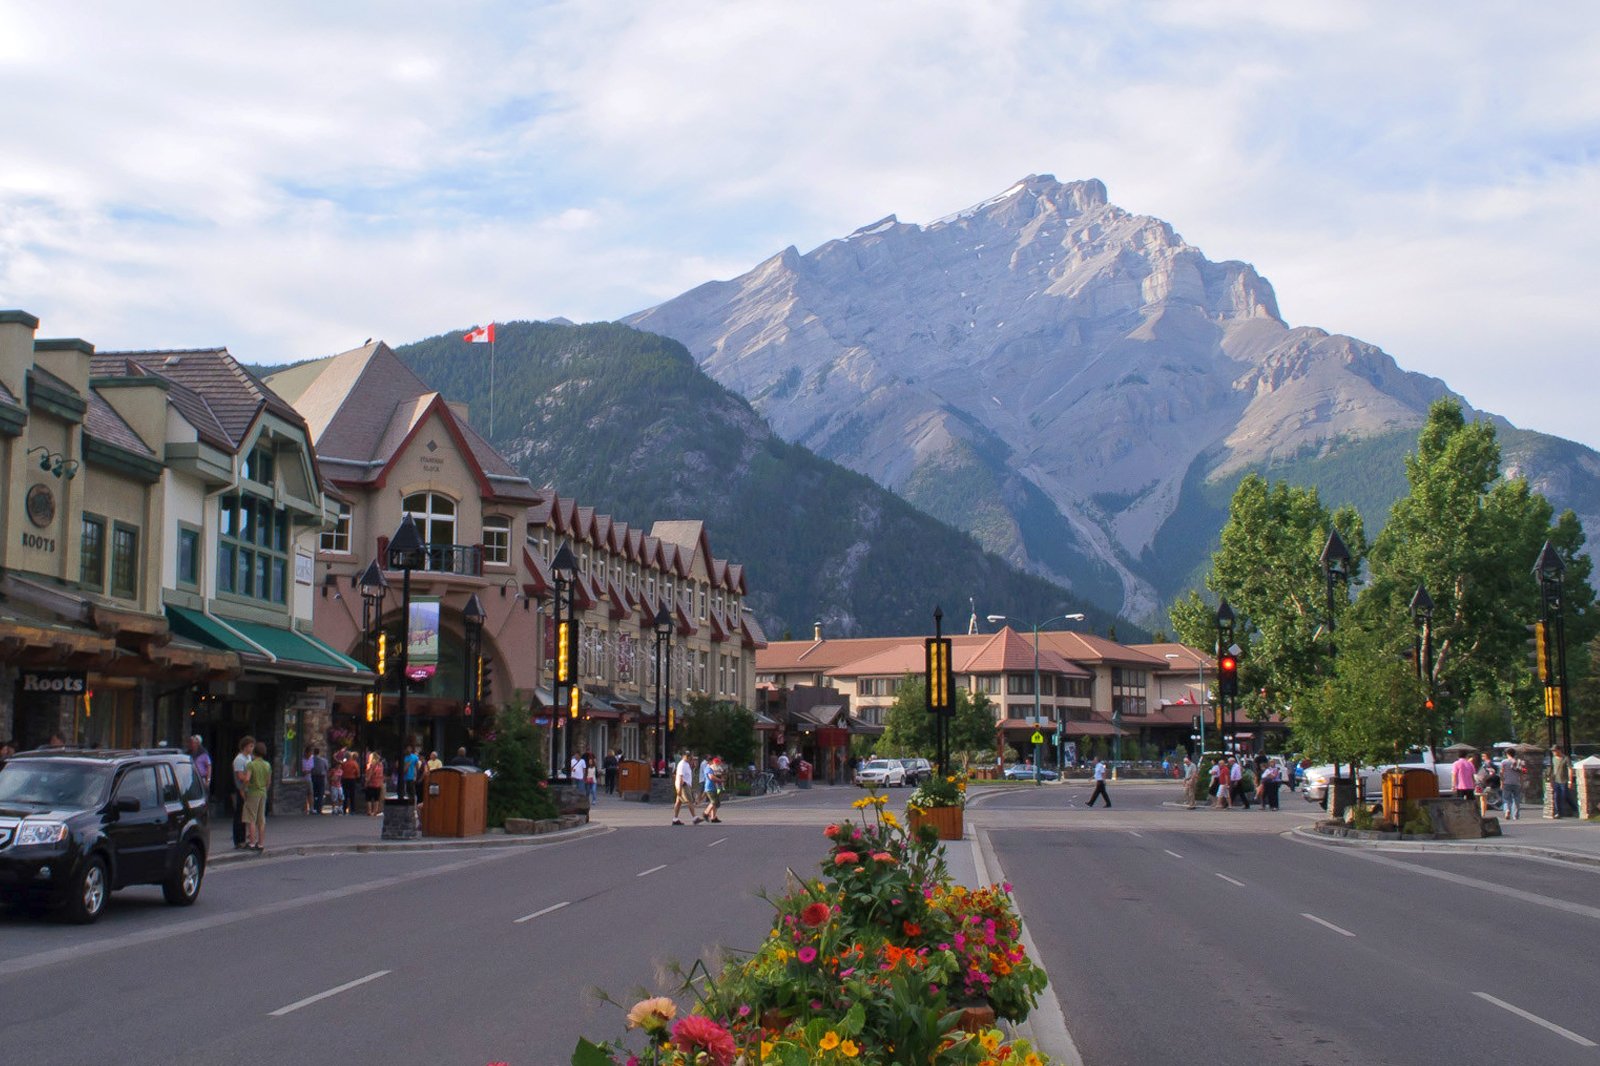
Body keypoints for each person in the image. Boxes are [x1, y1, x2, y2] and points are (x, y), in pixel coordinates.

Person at [243, 741, 270, 851]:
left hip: (253, 792)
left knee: (251, 818)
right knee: (261, 819)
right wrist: (264, 789)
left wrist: (245, 787)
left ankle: (252, 843)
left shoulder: (251, 764)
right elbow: (269, 781)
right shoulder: (267, 765)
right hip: (263, 792)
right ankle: (261, 843)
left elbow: (247, 779)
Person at [231, 735, 255, 849]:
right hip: (241, 788)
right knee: (239, 814)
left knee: (245, 815)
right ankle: (238, 840)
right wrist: (249, 776)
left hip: (248, 788)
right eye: (250, 746)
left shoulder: (249, 758)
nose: (252, 748)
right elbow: (240, 776)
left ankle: (243, 838)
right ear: (245, 746)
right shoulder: (239, 759)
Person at [672, 751, 702, 826]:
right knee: (689, 801)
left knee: (678, 802)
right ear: (684, 756)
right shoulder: (682, 764)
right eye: (688, 756)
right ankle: (695, 818)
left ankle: (675, 819)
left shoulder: (686, 764)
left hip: (685, 785)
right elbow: (680, 776)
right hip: (683, 785)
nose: (689, 758)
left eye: (690, 756)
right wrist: (679, 788)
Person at [1499, 752, 1525, 820]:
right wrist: (1522, 783)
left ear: (1507, 754)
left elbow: (1501, 773)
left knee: (1506, 798)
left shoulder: (1504, 762)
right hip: (1516, 783)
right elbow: (1522, 774)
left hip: (1506, 782)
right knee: (1516, 799)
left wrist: (1501, 782)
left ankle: (1507, 810)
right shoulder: (1519, 762)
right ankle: (1515, 815)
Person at [1551, 746, 1576, 817]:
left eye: (1555, 751)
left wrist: (1570, 781)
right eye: (1553, 751)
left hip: (1564, 780)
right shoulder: (1553, 759)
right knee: (1556, 796)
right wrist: (1551, 779)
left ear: (1559, 750)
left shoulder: (1565, 758)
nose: (1553, 752)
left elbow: (1570, 769)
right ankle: (1558, 812)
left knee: (1564, 796)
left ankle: (1575, 809)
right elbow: (1553, 770)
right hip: (1556, 780)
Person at [364, 750, 385, 816]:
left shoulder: (370, 765)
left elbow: (369, 775)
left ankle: (369, 811)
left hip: (371, 783)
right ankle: (375, 811)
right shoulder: (380, 765)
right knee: (376, 798)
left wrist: (366, 783)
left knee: (368, 798)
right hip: (378, 784)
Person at [342, 748, 363, 814]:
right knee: (352, 795)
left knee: (345, 795)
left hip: (344, 779)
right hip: (352, 779)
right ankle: (352, 810)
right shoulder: (354, 763)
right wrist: (357, 777)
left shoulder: (344, 763)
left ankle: (344, 809)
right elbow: (358, 773)